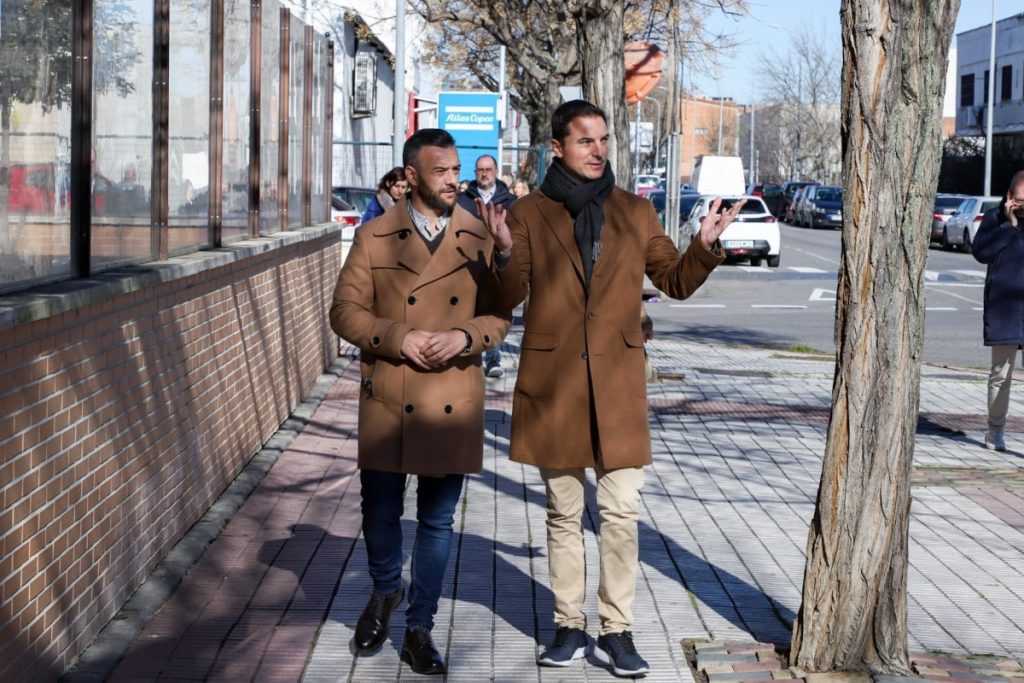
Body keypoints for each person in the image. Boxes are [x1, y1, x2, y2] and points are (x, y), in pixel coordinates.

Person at [477, 100, 743, 678]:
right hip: (555, 389)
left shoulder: (635, 210)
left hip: (618, 391)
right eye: (585, 141)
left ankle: (617, 629)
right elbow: (505, 297)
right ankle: (569, 625)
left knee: (621, 512)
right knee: (563, 514)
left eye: (603, 140)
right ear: (557, 148)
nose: (598, 150)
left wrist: (704, 246)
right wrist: (500, 250)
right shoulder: (526, 213)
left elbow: (672, 281)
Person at [329, 128, 511, 675]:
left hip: (451, 395)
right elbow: (344, 312)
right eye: (441, 171)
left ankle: (419, 627)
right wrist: (397, 336)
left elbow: (502, 316)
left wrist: (463, 337)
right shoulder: (376, 235)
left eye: (455, 169)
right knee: (380, 511)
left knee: (437, 522)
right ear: (411, 177)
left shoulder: (480, 236)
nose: (453, 179)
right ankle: (387, 589)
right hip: (390, 394)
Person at [972, 170, 1024, 452]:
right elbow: (981, 252)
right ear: (1008, 198)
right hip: (1005, 309)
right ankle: (995, 431)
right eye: (1019, 201)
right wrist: (1010, 225)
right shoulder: (995, 219)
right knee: (1000, 375)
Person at [457, 154, 517, 378]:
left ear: (496, 171)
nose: (484, 173)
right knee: (467, 311)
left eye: (488, 169)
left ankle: (493, 359)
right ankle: (467, 358)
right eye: (480, 170)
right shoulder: (462, 201)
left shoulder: (510, 202)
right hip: (468, 262)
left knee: (493, 311)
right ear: (475, 173)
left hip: (496, 263)